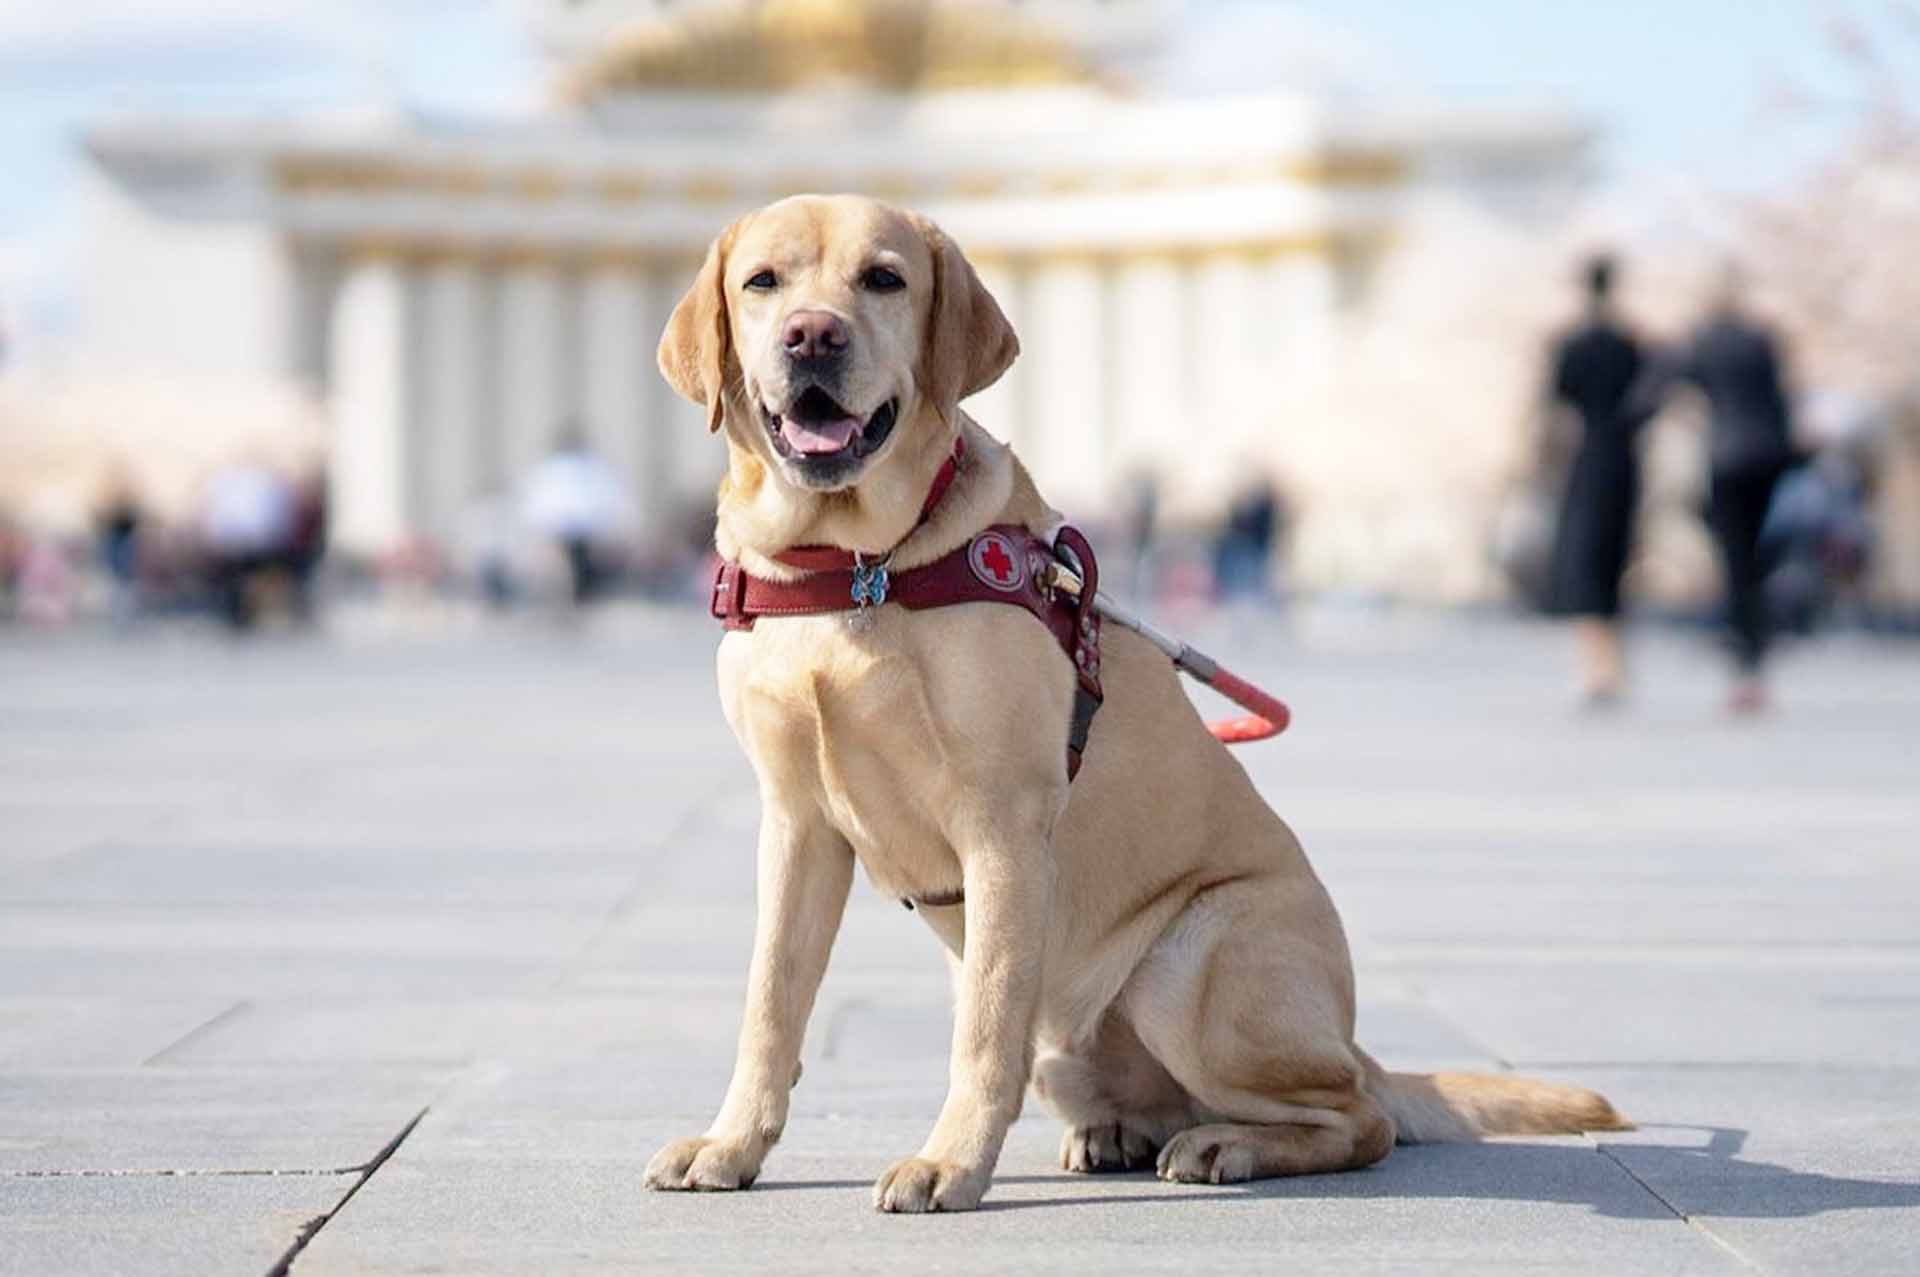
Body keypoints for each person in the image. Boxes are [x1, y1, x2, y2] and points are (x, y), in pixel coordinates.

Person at [1666, 267, 1799, 714]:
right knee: (1755, 560)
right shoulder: (1761, 341)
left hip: (1726, 459)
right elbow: (1781, 401)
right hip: (1766, 459)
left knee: (1736, 562)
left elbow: (1665, 387)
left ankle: (1746, 658)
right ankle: (1754, 651)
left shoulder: (1703, 343)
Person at [1541, 254, 1648, 706]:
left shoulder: (1573, 344)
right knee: (1615, 560)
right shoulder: (1630, 343)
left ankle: (1596, 667)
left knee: (1587, 562)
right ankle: (1613, 665)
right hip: (1624, 458)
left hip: (1588, 459)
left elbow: (1554, 405)